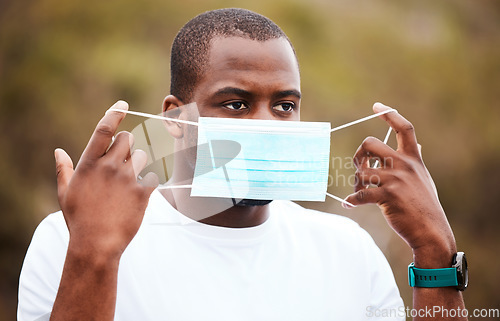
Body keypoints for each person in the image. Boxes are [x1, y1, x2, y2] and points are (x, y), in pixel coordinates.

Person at [18, 8, 466, 321]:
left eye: (285, 106)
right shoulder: (68, 240)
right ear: (175, 118)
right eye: (236, 104)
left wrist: (433, 249)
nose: (268, 123)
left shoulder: (348, 250)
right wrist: (94, 254)